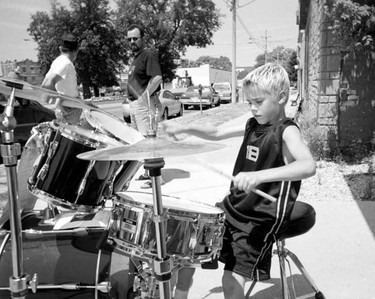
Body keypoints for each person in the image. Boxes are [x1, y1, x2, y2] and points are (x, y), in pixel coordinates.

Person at [162, 63, 316, 299]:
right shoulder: (252, 125)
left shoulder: (286, 131)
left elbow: (308, 165)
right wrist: (184, 128)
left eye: (259, 102)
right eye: (249, 103)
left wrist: (258, 176)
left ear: (282, 97)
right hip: (233, 207)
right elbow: (216, 133)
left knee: (230, 278)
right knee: (190, 246)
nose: (253, 108)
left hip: (261, 216)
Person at [0, 32, 83, 228]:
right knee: (62, 157)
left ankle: (43, 203)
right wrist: (62, 103)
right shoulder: (64, 63)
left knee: (59, 155)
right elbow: (46, 86)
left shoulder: (60, 61)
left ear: (60, 48)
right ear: (77, 50)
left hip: (70, 109)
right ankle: (48, 202)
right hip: (70, 111)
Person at [125, 23, 164, 189]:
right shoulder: (136, 58)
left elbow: (157, 78)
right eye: (129, 39)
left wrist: (143, 97)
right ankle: (149, 172)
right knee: (141, 141)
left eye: (135, 38)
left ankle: (157, 177)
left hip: (145, 104)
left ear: (142, 38)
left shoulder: (148, 54)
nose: (132, 41)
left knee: (150, 141)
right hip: (135, 105)